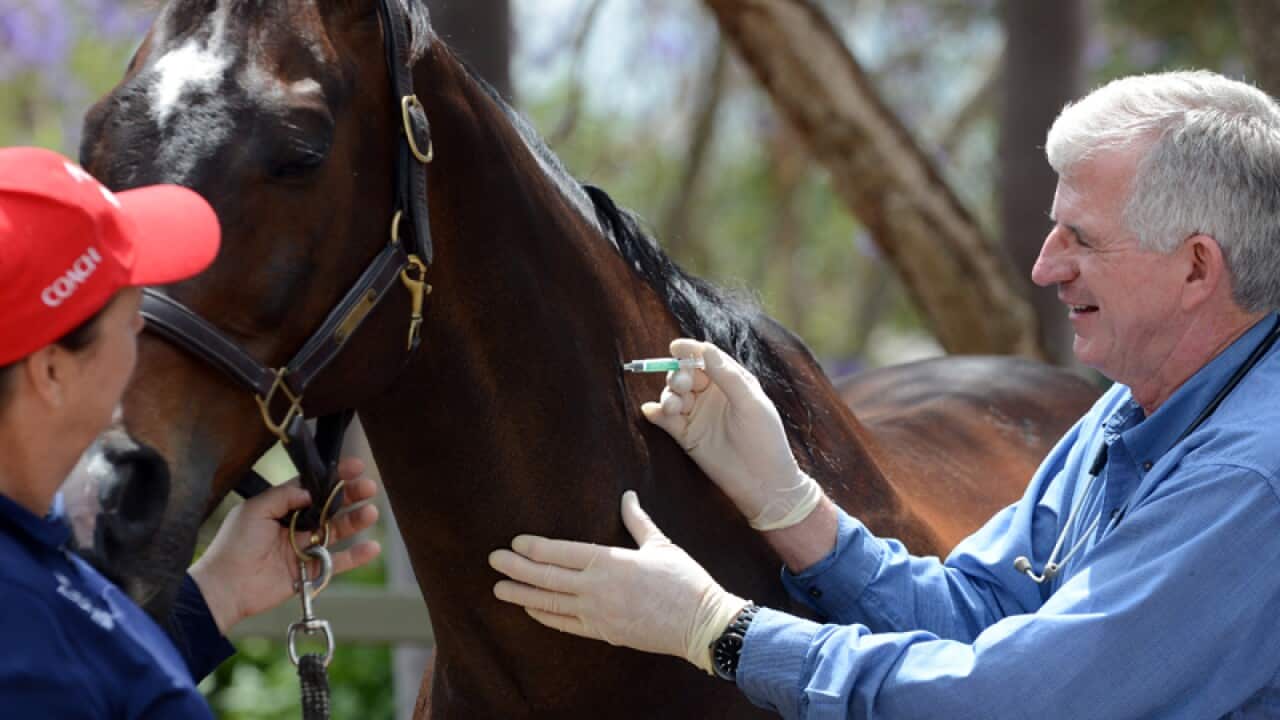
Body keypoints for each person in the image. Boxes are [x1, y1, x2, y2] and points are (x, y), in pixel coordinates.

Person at [489, 69, 1280, 718]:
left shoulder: (1250, 474)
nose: (1045, 267)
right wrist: (792, 508)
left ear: (1197, 269)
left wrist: (718, 631)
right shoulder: (1131, 407)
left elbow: (1012, 701)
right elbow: (982, 614)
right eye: (1051, 229)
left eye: (1083, 238)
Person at [0, 146, 382, 717]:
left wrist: (217, 594)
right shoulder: (21, 633)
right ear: (52, 371)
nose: (141, 331)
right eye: (130, 318)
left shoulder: (33, 553)